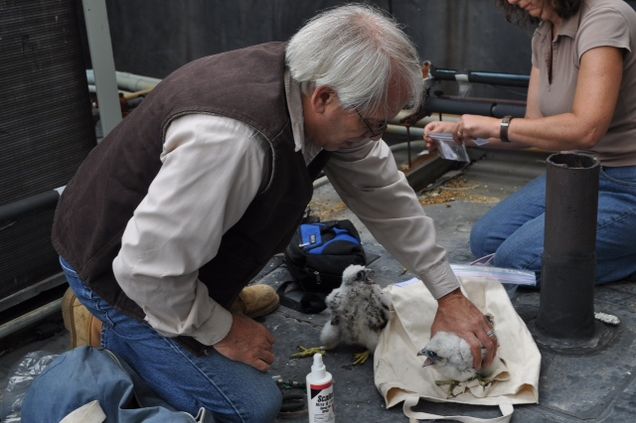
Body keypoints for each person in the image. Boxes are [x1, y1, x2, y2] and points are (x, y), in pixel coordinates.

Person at [51, 4, 496, 422]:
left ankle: (203, 298)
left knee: (204, 305)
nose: (376, 134)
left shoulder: (311, 84)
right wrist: (222, 330)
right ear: (323, 98)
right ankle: (108, 331)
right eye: (373, 122)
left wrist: (448, 294)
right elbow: (147, 270)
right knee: (251, 406)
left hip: (166, 255)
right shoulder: (234, 140)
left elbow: (384, 192)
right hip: (115, 270)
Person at [425, 0, 636, 285]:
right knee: (486, 240)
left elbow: (588, 129)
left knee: (515, 262)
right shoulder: (544, 33)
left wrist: (497, 126)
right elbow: (532, 124)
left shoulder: (606, 18)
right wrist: (465, 133)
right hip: (576, 175)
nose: (513, 0)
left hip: (626, 183)